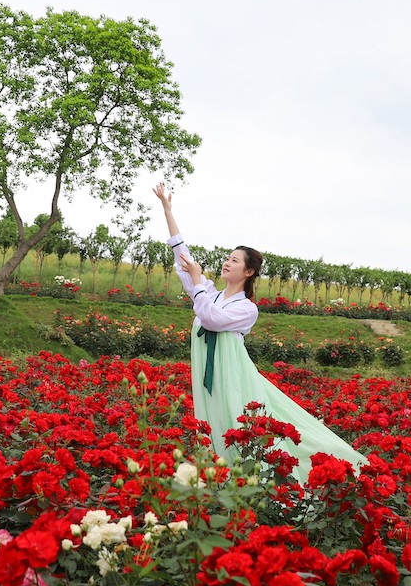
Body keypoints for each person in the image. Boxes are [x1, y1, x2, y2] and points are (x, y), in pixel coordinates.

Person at [153, 183, 367, 483]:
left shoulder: (245, 309)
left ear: (249, 272)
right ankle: (222, 478)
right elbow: (184, 263)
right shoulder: (211, 294)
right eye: (227, 258)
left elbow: (211, 319)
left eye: (235, 260)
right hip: (207, 376)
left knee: (238, 422)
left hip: (233, 377)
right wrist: (168, 211)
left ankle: (267, 478)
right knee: (213, 422)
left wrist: (199, 280)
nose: (227, 262)